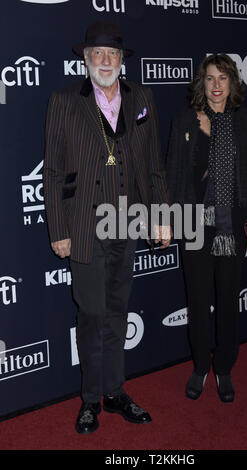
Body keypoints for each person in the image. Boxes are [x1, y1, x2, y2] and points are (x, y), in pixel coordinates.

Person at [43, 21, 170, 434]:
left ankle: (115, 392)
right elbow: (54, 172)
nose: (104, 60)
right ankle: (89, 400)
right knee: (93, 313)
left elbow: (153, 166)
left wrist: (161, 215)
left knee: (117, 311)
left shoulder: (142, 97)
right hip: (83, 224)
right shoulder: (64, 101)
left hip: (127, 222)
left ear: (121, 60)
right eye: (96, 53)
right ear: (84, 59)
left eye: (112, 54)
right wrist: (58, 229)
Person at [166, 54, 247, 403]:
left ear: (232, 83)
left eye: (222, 79)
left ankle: (223, 367)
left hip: (232, 226)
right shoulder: (185, 119)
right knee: (198, 301)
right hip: (196, 225)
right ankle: (199, 368)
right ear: (201, 83)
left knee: (227, 301)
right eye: (210, 79)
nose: (216, 86)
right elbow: (178, 175)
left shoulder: (245, 122)